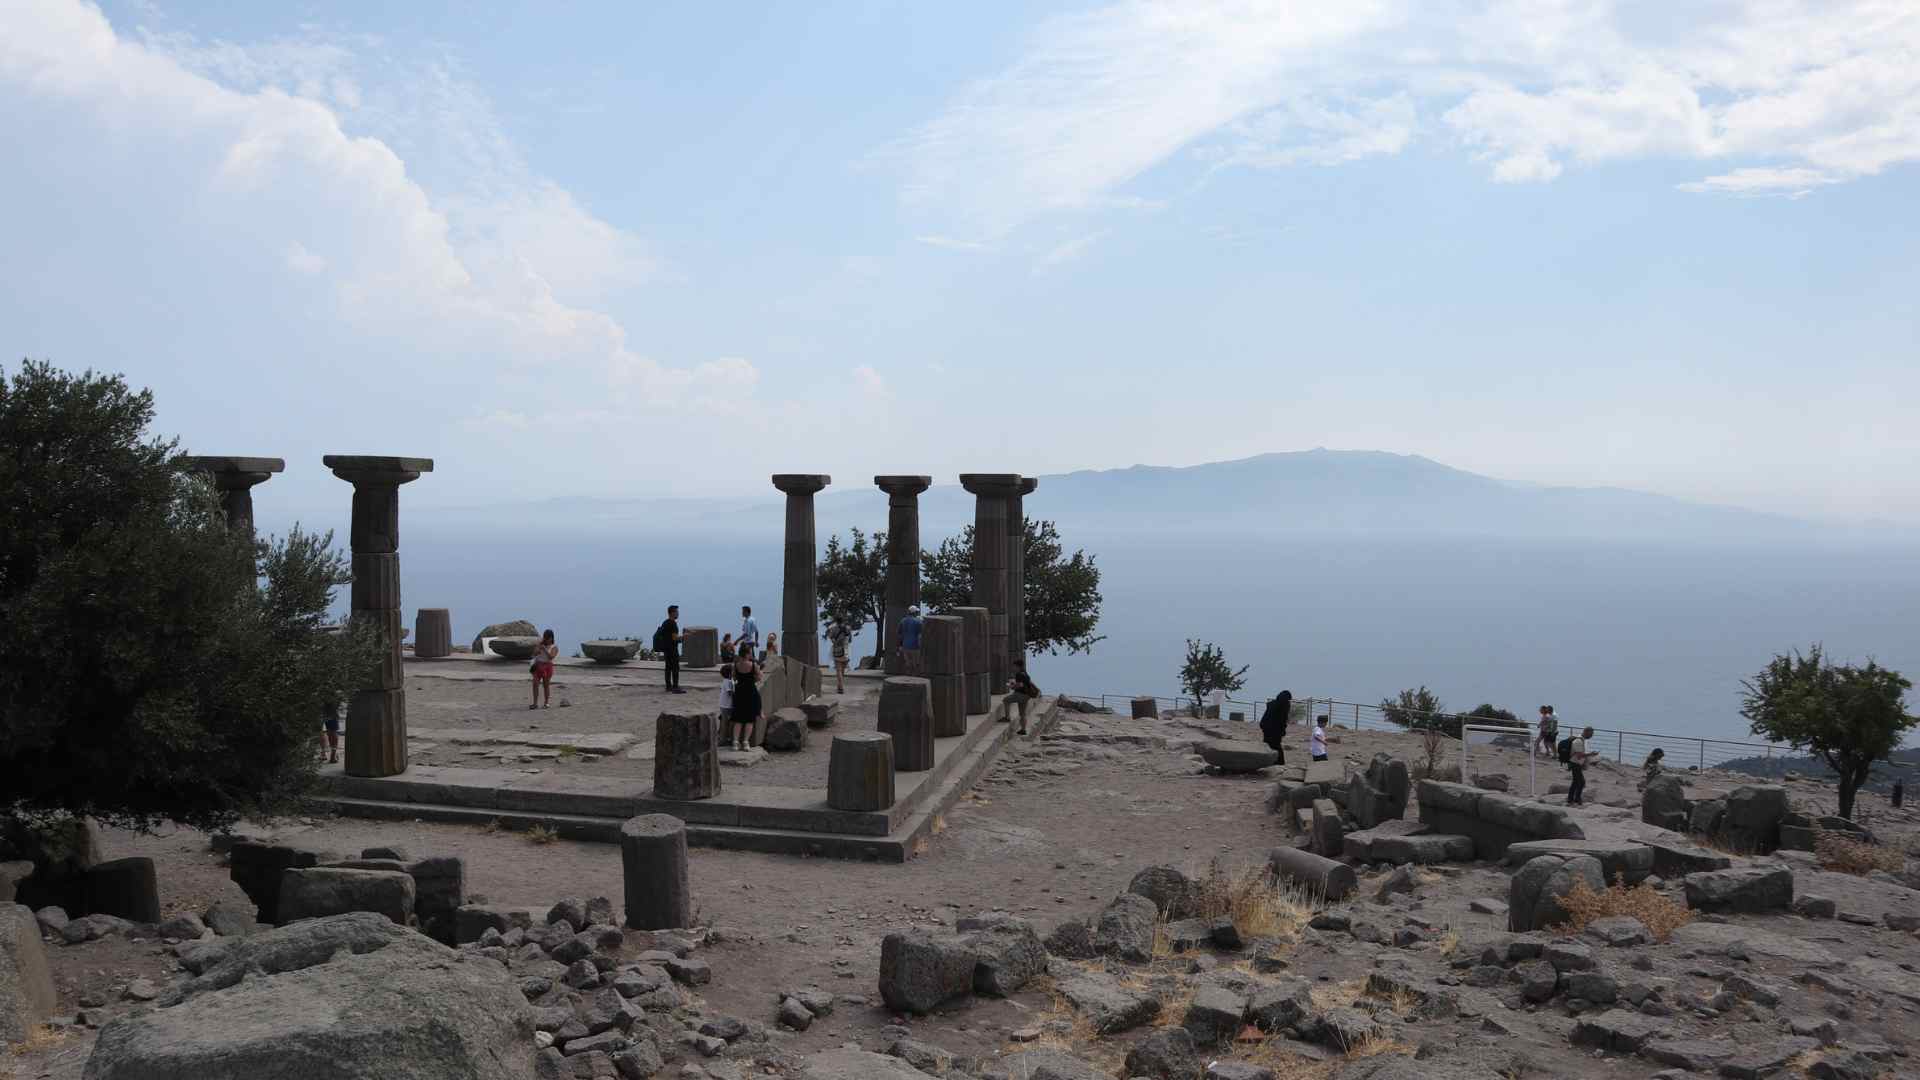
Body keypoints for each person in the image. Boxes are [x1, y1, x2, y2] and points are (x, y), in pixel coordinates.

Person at [730, 644, 762, 751]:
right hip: (750, 691)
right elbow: (758, 678)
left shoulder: (736, 665)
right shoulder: (753, 665)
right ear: (748, 653)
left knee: (738, 719)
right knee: (749, 719)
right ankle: (745, 742)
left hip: (739, 691)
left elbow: (734, 677)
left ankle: (735, 742)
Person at [999, 659, 1041, 736]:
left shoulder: (1019, 674)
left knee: (1006, 700)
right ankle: (1023, 730)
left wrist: (1011, 686)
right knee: (1022, 713)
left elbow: (1020, 685)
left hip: (1020, 694)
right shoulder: (1025, 673)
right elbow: (1028, 683)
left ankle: (1007, 717)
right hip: (1027, 696)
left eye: (1014, 666)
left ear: (1017, 666)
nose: (1013, 668)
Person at [1258, 690, 1292, 765]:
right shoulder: (1285, 704)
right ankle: (1279, 762)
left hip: (1266, 727)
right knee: (1276, 746)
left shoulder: (1272, 703)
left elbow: (1266, 716)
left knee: (1268, 744)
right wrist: (1283, 730)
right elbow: (1283, 719)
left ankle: (1267, 761)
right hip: (1276, 729)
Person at [657, 604, 685, 694]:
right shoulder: (673, 623)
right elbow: (675, 638)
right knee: (675, 668)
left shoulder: (665, 622)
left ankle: (668, 686)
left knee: (668, 668)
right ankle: (675, 687)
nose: (678, 614)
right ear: (672, 613)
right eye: (677, 612)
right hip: (672, 649)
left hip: (666, 649)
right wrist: (685, 637)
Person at [1567, 725, 1596, 806]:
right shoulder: (1578, 741)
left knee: (1576, 782)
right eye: (1591, 734)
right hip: (1574, 763)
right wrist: (1590, 754)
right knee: (1581, 782)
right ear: (1586, 732)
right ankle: (1576, 799)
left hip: (1576, 763)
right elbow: (1579, 755)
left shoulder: (1581, 740)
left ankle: (1571, 799)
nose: (1591, 736)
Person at [530, 629, 558, 709]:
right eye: (545, 638)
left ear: (552, 638)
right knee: (535, 684)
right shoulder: (540, 644)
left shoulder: (554, 647)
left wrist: (545, 650)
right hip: (538, 665)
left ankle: (546, 702)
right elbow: (533, 654)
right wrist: (538, 650)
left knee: (546, 685)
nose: (547, 640)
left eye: (548, 638)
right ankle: (535, 703)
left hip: (547, 666)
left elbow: (551, 657)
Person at [825, 617, 854, 693]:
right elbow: (850, 640)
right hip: (846, 651)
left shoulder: (834, 628)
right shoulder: (848, 628)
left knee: (838, 670)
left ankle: (840, 687)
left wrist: (835, 641)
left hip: (837, 651)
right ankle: (839, 685)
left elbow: (831, 638)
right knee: (843, 670)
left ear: (836, 621)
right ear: (843, 621)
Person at [897, 605, 924, 674]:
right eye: (917, 612)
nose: (918, 613)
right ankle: (914, 680)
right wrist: (921, 646)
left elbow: (899, 634)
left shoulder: (902, 621)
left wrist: (899, 645)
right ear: (914, 613)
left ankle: (908, 679)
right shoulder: (918, 622)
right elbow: (920, 636)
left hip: (905, 646)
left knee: (908, 664)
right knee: (916, 665)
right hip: (915, 646)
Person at [319, 699, 341, 764]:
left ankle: (324, 753)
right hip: (330, 699)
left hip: (319, 699)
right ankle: (332, 755)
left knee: (320, 731)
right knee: (332, 730)